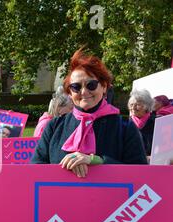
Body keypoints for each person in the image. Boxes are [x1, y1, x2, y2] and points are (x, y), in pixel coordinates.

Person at [31, 49, 147, 177]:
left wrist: (97, 161)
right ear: (69, 92)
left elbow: (140, 174)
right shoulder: (54, 126)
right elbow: (36, 170)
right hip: (61, 196)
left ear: (104, 87)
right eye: (76, 87)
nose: (84, 92)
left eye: (91, 85)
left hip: (111, 197)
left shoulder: (125, 128)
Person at [128, 89, 155, 157]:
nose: (133, 108)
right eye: (131, 105)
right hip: (133, 161)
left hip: (153, 161)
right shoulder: (125, 124)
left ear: (147, 106)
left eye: (137, 105)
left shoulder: (155, 122)